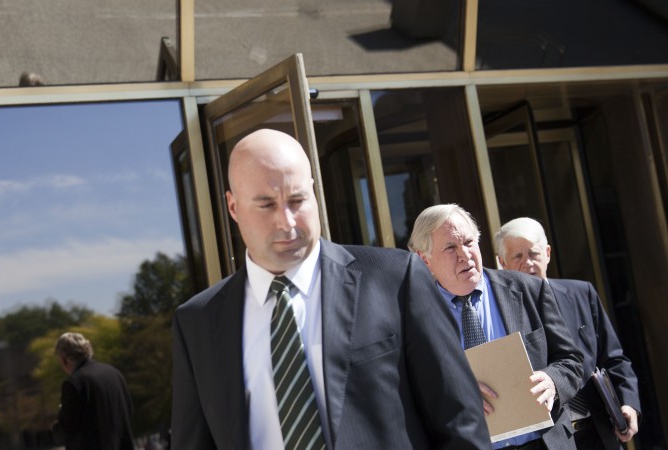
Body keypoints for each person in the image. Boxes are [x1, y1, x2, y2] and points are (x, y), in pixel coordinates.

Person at [171, 129, 489, 449]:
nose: (287, 222)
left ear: (313, 192)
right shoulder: (198, 323)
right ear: (233, 207)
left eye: (297, 200)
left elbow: (460, 421)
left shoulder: (395, 280)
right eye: (266, 204)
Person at [408, 204, 583, 450]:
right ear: (424, 259)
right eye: (450, 247)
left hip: (544, 442)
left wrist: (552, 382)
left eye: (469, 242)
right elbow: (410, 399)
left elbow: (572, 360)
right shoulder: (414, 320)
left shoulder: (528, 289)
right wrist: (454, 396)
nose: (465, 255)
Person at [495, 217, 641, 449]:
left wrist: (629, 403)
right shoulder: (500, 315)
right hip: (549, 441)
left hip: (600, 433)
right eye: (517, 257)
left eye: (533, 253)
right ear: (502, 263)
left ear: (548, 253)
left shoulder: (582, 293)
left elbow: (613, 358)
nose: (528, 263)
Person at [52, 332, 134, 450]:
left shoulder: (74, 382)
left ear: (64, 359)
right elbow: (128, 410)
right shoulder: (114, 373)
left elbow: (66, 428)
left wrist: (56, 425)